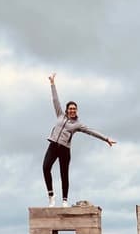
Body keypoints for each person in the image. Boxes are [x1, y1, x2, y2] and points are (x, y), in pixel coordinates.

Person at [42, 73, 116, 207]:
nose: (72, 110)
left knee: (64, 174)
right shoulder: (60, 115)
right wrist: (52, 84)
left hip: (65, 149)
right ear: (66, 110)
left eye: (74, 109)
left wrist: (106, 139)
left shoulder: (78, 124)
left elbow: (91, 131)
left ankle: (65, 200)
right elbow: (55, 100)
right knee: (46, 167)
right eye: (70, 108)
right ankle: (51, 196)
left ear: (76, 111)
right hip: (53, 145)